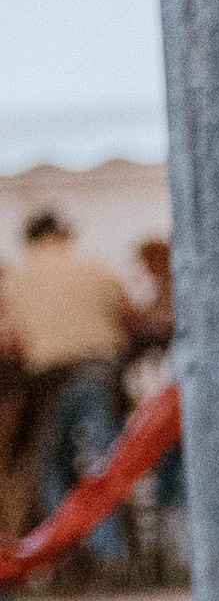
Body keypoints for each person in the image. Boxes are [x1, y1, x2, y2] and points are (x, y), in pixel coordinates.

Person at [0, 210, 134, 549]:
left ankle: (63, 550)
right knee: (105, 464)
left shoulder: (15, 277)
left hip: (47, 382)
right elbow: (126, 315)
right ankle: (111, 554)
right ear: (62, 234)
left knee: (52, 467)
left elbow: (11, 335)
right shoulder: (94, 266)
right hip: (98, 373)